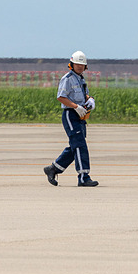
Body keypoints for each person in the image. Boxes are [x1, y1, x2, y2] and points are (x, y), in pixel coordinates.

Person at [43, 50, 99, 187]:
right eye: (77, 64)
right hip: (70, 114)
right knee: (80, 145)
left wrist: (89, 99)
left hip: (80, 114)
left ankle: (54, 168)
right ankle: (84, 177)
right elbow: (60, 97)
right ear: (71, 64)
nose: (79, 67)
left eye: (82, 65)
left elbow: (83, 95)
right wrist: (75, 107)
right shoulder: (67, 79)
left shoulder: (81, 79)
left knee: (76, 144)